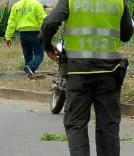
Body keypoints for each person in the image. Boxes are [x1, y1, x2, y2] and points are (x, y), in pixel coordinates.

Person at [39, 0, 133, 156]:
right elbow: (126, 34)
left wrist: (47, 46)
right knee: (108, 125)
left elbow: (49, 23)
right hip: (109, 73)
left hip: (78, 73)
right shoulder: (118, 1)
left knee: (76, 124)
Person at [5, 0, 47, 77]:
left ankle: (30, 74)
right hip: (35, 34)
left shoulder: (16, 6)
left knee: (27, 56)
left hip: (23, 35)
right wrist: (48, 32)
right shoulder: (36, 4)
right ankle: (30, 67)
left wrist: (8, 36)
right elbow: (43, 20)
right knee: (39, 55)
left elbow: (11, 22)